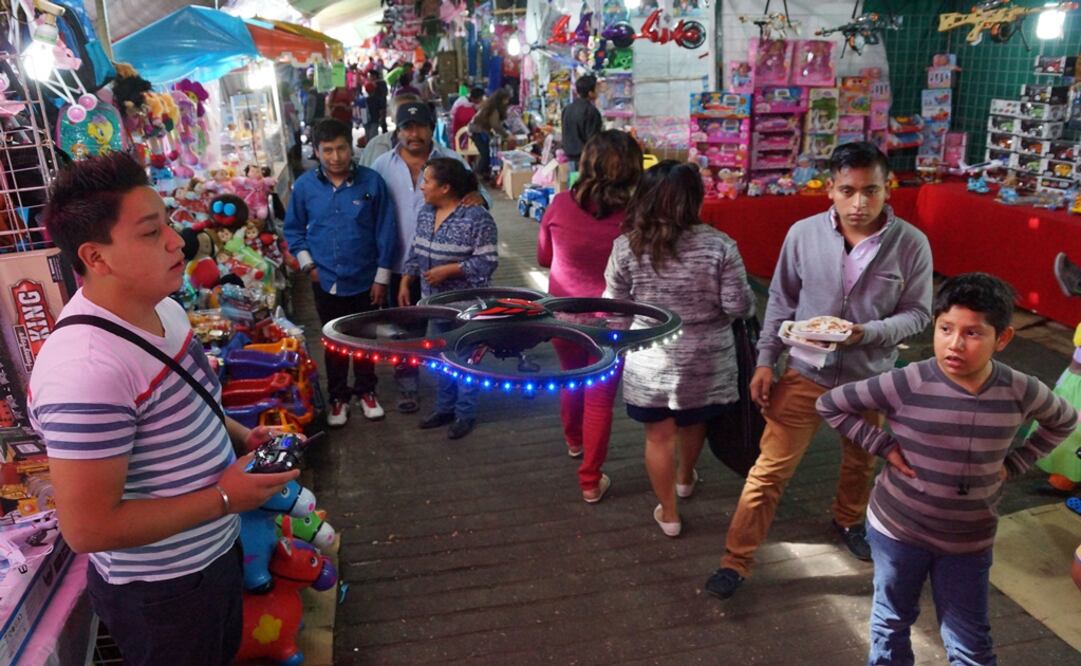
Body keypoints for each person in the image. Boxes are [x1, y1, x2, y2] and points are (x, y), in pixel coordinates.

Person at [28, 152, 300, 665]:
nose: (177, 240)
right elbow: (87, 528)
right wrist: (223, 497)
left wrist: (242, 437)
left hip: (214, 551)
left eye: (168, 224)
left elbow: (190, 404)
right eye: (151, 233)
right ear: (96, 256)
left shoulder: (166, 309)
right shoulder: (84, 370)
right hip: (162, 591)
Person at [706, 141, 934, 600]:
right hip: (805, 371)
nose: (859, 203)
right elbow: (782, 303)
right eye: (847, 190)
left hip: (870, 378)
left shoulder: (911, 244)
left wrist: (865, 333)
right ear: (829, 188)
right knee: (768, 470)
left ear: (887, 189)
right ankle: (736, 559)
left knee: (860, 459)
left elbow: (918, 314)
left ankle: (849, 519)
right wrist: (766, 361)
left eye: (871, 190)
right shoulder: (803, 234)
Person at [817, 273, 1077, 665]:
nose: (955, 344)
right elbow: (831, 404)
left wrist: (1018, 461)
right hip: (898, 531)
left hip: (968, 541)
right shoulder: (907, 380)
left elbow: (1065, 419)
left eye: (973, 333)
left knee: (970, 640)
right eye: (945, 329)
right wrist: (882, 445)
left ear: (1002, 339)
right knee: (891, 622)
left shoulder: (1022, 389)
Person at [604, 161, 755, 535]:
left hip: (649, 355)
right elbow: (740, 306)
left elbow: (616, 309)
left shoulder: (625, 247)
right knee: (695, 420)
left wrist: (617, 347)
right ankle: (686, 477)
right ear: (695, 199)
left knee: (658, 436)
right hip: (706, 358)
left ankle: (668, 514)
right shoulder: (719, 245)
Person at [537, 130, 643, 503]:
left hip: (562, 314)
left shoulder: (560, 204)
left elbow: (543, 257)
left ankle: (573, 440)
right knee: (600, 398)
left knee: (570, 380)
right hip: (613, 321)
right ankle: (589, 481)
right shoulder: (637, 215)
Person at [371, 101, 486, 414]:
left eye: (420, 126)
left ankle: (452, 396)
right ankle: (408, 386)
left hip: (448, 274)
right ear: (397, 130)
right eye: (407, 127)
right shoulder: (381, 165)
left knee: (448, 333)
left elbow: (480, 200)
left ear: (431, 127)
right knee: (405, 332)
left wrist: (475, 198)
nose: (414, 133)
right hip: (400, 265)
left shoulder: (450, 160)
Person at [283, 118, 396, 427]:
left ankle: (366, 390)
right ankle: (338, 397)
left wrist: (381, 277)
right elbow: (293, 231)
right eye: (328, 150)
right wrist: (309, 266)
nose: (336, 157)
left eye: (341, 148)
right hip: (326, 279)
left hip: (366, 279)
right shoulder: (305, 186)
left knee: (365, 338)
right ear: (317, 151)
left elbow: (386, 230)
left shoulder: (372, 183)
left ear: (352, 147)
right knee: (333, 342)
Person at [399, 158, 498, 439]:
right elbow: (416, 249)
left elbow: (487, 261)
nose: (421, 187)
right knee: (440, 358)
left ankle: (464, 413)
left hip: (465, 308)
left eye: (427, 181)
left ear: (445, 187)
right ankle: (444, 408)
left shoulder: (477, 217)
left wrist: (451, 270)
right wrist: (407, 279)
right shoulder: (426, 213)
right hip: (434, 304)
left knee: (465, 361)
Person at [560, 74, 604, 171]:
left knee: (573, 184)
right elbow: (593, 140)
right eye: (596, 89)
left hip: (569, 157)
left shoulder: (567, 109)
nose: (598, 92)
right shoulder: (591, 111)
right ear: (590, 93)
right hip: (584, 159)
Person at [468, 88, 512, 181]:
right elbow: (495, 125)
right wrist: (506, 135)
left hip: (477, 130)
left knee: (485, 152)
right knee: (485, 154)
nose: (507, 102)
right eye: (506, 99)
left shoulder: (490, 106)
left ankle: (483, 174)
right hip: (477, 132)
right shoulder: (494, 109)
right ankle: (476, 176)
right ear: (501, 99)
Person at [364, 68, 389, 140]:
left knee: (382, 122)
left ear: (374, 76)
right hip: (377, 106)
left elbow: (384, 93)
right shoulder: (372, 84)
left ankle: (385, 136)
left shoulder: (381, 83)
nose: (369, 77)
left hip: (380, 105)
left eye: (370, 76)